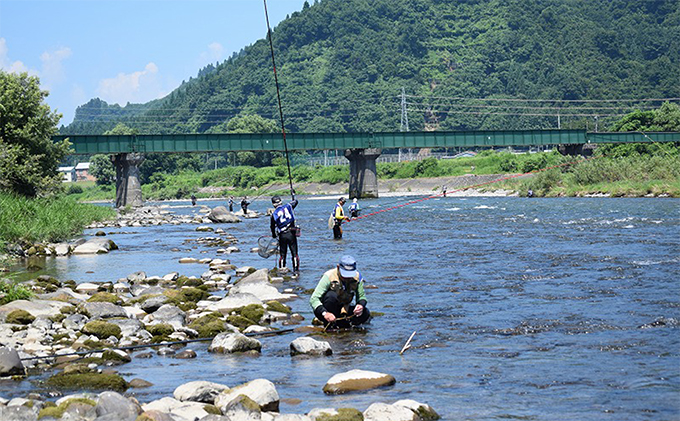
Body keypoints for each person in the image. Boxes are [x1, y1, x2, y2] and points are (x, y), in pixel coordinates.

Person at [309, 255, 370, 328]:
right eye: (345, 274)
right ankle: (330, 324)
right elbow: (314, 299)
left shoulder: (357, 277)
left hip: (344, 309)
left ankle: (343, 324)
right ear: (338, 267)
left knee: (365, 313)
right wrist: (325, 313)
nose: (347, 277)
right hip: (326, 310)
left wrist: (360, 305)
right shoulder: (329, 276)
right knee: (331, 296)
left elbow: (361, 297)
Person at [270, 193, 300, 274]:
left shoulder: (274, 214)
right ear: (281, 202)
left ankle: (282, 270)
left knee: (282, 254)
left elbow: (272, 227)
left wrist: (274, 235)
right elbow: (295, 201)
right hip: (291, 233)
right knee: (294, 253)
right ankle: (296, 270)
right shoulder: (288, 206)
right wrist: (293, 194)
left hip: (282, 235)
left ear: (273, 204)